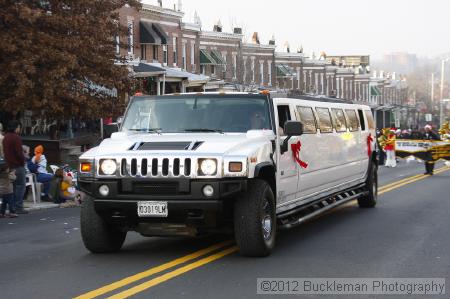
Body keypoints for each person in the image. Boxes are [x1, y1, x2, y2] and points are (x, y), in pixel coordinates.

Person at [2, 121, 28, 214]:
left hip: (8, 165)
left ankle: (11, 206)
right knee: (20, 186)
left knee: (11, 186)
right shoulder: (16, 137)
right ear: (16, 127)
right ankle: (18, 206)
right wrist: (23, 162)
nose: (19, 129)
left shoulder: (6, 137)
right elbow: (19, 153)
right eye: (19, 127)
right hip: (17, 165)